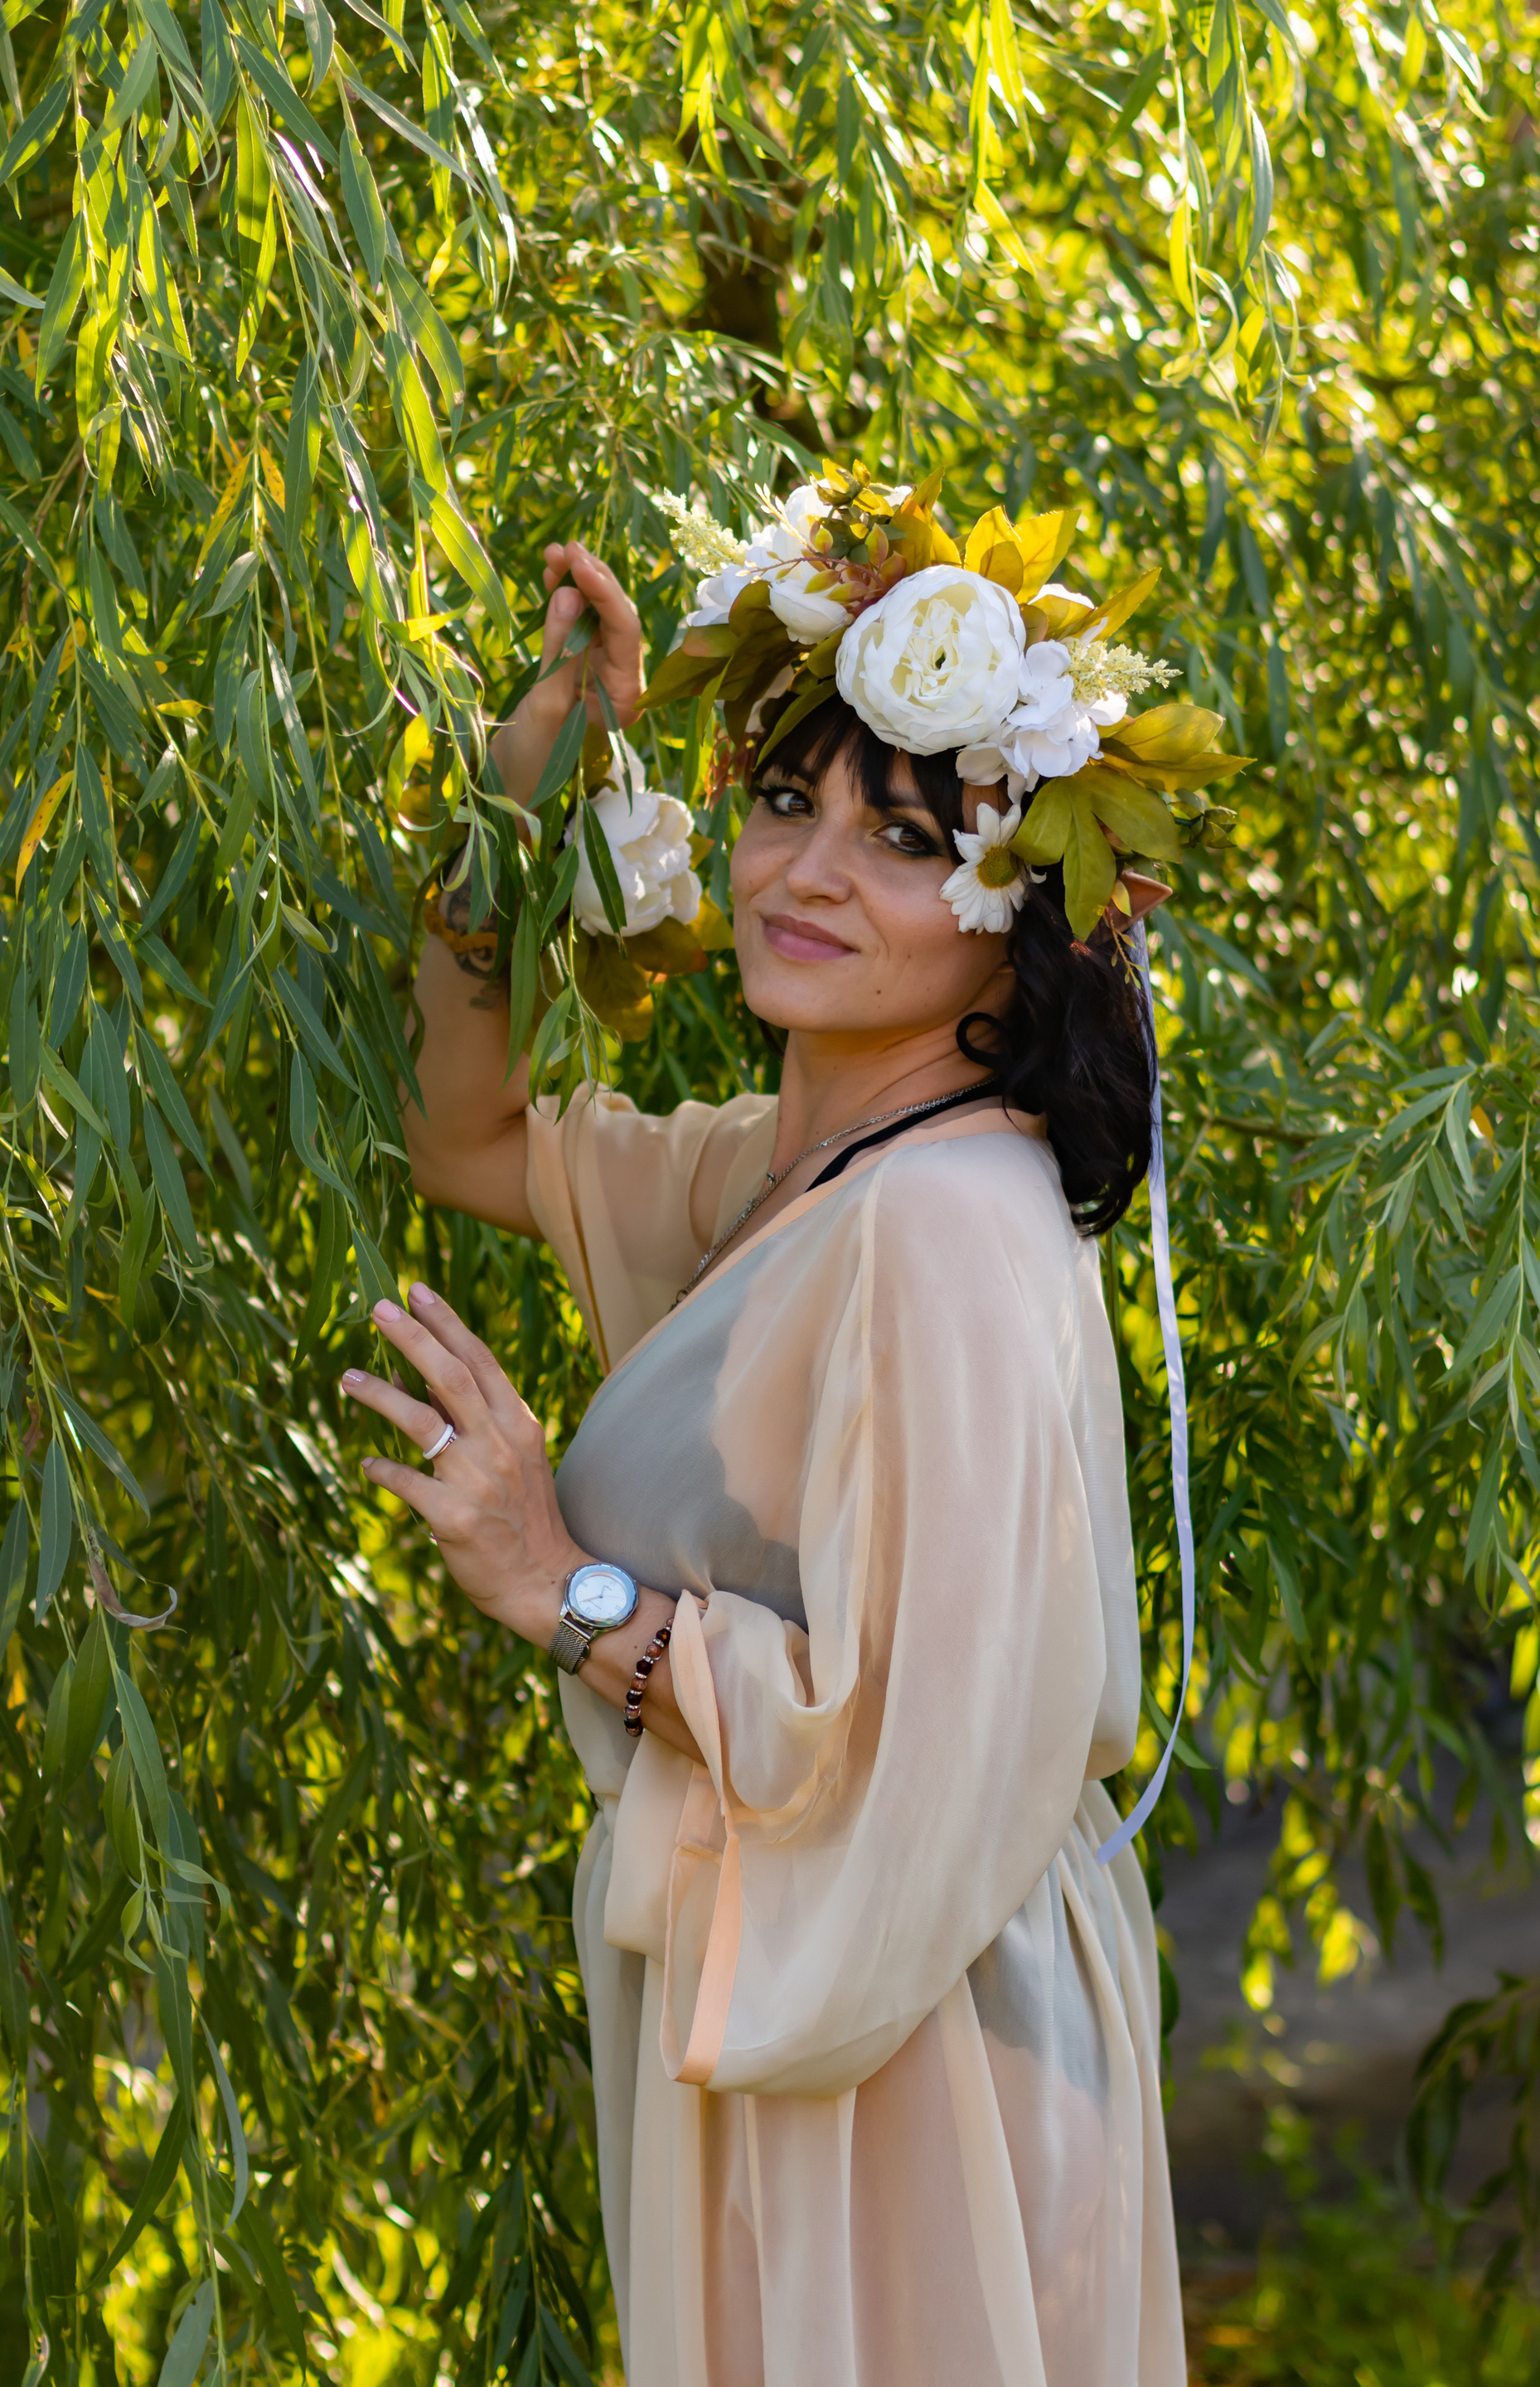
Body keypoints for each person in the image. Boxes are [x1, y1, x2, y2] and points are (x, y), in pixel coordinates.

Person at [341, 529, 1189, 2387]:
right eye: (789, 801)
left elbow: (888, 1748)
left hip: (901, 2034)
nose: (806, 872)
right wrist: (521, 784)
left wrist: (551, 1580)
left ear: (1020, 908)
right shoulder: (791, 1173)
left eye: (904, 838)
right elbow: (459, 1130)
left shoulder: (938, 1231)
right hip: (810, 1975)